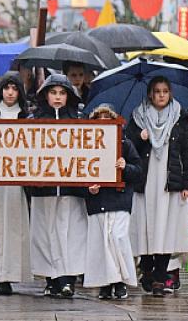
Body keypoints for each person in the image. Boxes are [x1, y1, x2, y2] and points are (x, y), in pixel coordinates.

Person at [126, 76, 188, 296]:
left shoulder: (180, 118)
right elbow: (126, 146)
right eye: (157, 91)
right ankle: (147, 270)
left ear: (170, 94)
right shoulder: (138, 117)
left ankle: (160, 277)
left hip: (171, 183)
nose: (161, 95)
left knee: (166, 229)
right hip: (146, 182)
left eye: (165, 91)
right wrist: (139, 136)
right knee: (146, 227)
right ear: (150, 94)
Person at [29, 74, 87, 298]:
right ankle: (51, 279)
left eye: (62, 93)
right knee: (44, 235)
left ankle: (68, 279)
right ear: (45, 95)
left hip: (71, 189)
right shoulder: (33, 121)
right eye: (53, 92)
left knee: (70, 234)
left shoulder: (80, 121)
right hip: (43, 189)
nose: (57, 97)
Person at [84, 104, 141, 300]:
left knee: (118, 238)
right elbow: (79, 171)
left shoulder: (125, 144)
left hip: (119, 199)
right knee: (101, 244)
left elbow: (138, 171)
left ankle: (121, 280)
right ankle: (107, 284)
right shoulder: (86, 145)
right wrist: (88, 188)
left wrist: (126, 167)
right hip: (98, 200)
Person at [0, 72, 31, 296]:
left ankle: (8, 274)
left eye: (14, 88)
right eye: (6, 88)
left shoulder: (26, 117)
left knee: (14, 227)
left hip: (17, 181)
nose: (10, 93)